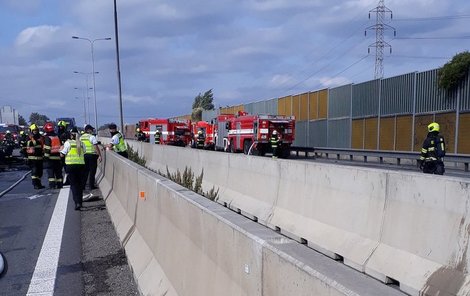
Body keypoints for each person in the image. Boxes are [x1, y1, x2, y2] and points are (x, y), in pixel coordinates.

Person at [60, 127, 86, 210]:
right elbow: (84, 152)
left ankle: (77, 203)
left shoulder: (68, 143)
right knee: (80, 185)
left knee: (74, 185)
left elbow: (62, 155)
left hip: (71, 166)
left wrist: (60, 150)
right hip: (81, 166)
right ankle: (80, 202)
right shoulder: (81, 143)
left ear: (71, 135)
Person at [81, 124, 102, 191]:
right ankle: (91, 186)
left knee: (85, 172)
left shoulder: (81, 137)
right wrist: (99, 155)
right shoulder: (92, 137)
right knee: (92, 171)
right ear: (88, 130)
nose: (92, 131)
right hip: (92, 156)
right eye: (91, 129)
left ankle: (83, 186)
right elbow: (96, 146)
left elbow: (78, 147)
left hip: (84, 156)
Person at [43, 122, 63, 189]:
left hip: (50, 158)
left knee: (51, 172)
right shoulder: (57, 136)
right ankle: (60, 184)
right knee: (58, 172)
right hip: (58, 157)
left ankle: (52, 185)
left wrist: (45, 157)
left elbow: (47, 148)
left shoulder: (47, 137)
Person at [26, 124, 45, 189]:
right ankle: (35, 184)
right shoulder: (29, 137)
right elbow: (25, 148)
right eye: (34, 130)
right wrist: (25, 157)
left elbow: (43, 145)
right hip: (32, 158)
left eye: (36, 130)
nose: (35, 131)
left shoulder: (40, 137)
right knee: (34, 172)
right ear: (31, 130)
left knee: (40, 172)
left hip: (40, 157)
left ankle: (39, 184)